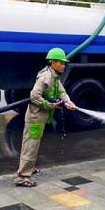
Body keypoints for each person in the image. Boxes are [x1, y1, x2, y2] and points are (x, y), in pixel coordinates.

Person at [15, 48, 76, 187]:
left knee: (34, 145)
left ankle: (29, 168)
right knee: (30, 146)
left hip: (41, 117)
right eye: (61, 63)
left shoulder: (54, 77)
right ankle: (22, 177)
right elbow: (34, 96)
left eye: (64, 63)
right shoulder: (45, 77)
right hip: (35, 117)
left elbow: (61, 91)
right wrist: (50, 105)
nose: (63, 65)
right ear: (53, 63)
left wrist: (69, 102)